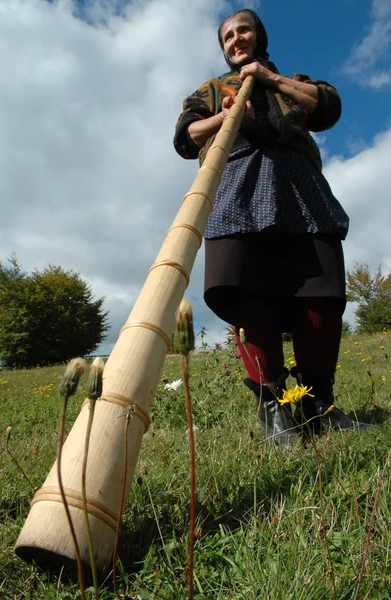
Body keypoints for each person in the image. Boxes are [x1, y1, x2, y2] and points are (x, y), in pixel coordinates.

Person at [174, 8, 370, 448]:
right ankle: (273, 406)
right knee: (245, 287)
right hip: (237, 181)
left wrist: (269, 78)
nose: (235, 39)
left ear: (259, 37)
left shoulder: (294, 81)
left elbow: (328, 106)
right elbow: (186, 138)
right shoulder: (212, 89)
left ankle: (319, 406)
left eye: (243, 30)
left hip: (298, 182)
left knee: (319, 287)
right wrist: (227, 119)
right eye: (226, 36)